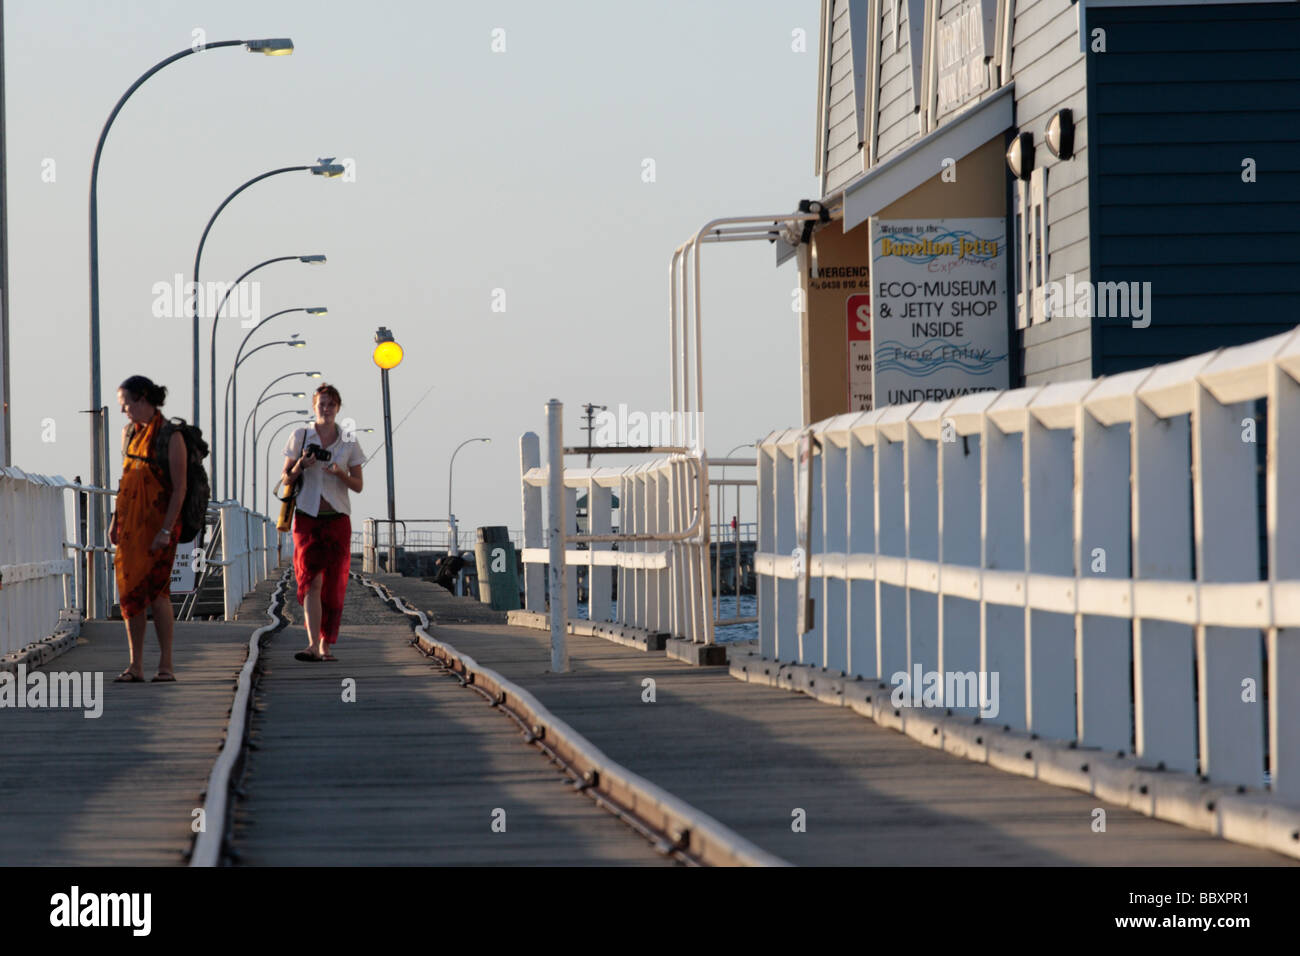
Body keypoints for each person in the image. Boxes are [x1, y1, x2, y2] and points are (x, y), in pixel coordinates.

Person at [110, 375, 187, 682]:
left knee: (157, 592)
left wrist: (166, 530)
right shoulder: (129, 433)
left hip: (160, 525)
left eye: (126, 404)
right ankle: (135, 665)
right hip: (131, 526)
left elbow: (180, 489)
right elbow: (126, 478)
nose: (123, 410)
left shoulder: (171, 436)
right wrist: (116, 520)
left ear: (142, 399)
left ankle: (165, 665)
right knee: (130, 592)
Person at [281, 383, 365, 661]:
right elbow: (286, 479)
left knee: (334, 584)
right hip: (307, 518)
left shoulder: (349, 440)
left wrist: (339, 473)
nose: (326, 409)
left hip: (337, 518)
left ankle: (326, 644)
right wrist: (301, 466)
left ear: (338, 408)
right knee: (311, 581)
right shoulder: (301, 436)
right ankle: (312, 645)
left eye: (331, 404)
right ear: (314, 407)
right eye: (321, 404)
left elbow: (358, 485)